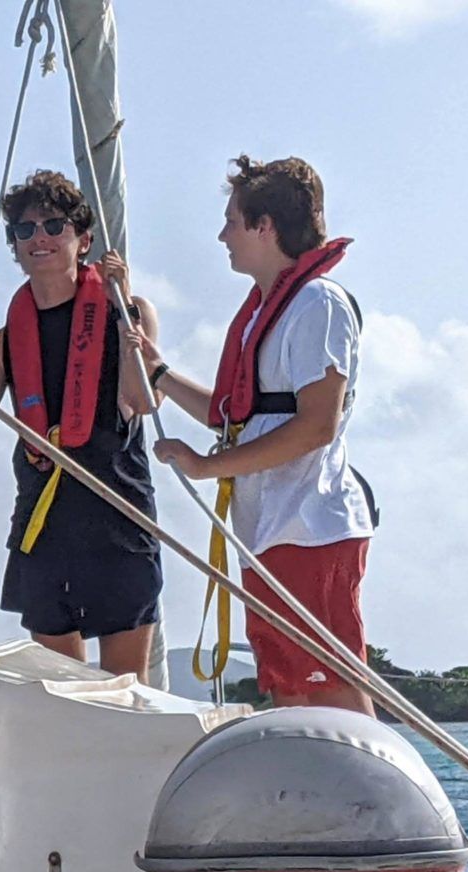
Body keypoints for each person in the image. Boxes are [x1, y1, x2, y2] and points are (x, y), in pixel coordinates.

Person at [137, 155, 376, 715]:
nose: (223, 235)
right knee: (287, 686)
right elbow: (240, 415)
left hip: (309, 527)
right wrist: (160, 374)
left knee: (330, 685)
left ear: (265, 227)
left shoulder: (318, 304)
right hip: (267, 529)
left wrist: (204, 466)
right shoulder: (264, 313)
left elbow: (316, 425)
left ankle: (367, 802)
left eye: (232, 221)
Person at [0, 170, 163, 682]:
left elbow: (143, 401)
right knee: (63, 694)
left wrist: (127, 317)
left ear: (83, 240)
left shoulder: (128, 310)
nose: (38, 238)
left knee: (127, 693)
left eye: (53, 225)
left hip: (117, 523)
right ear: (14, 247)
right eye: (24, 230)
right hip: (44, 525)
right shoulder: (3, 341)